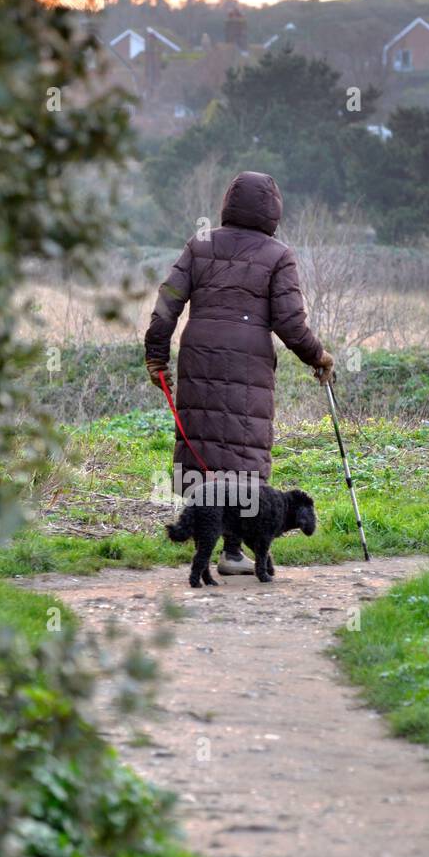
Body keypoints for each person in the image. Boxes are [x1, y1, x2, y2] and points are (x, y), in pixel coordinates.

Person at [144, 170, 334, 574]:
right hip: (249, 362)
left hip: (199, 356)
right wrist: (319, 358)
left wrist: (157, 356)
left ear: (228, 203)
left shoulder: (201, 244)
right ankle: (232, 553)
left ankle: (212, 544)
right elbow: (290, 324)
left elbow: (167, 303)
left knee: (204, 442)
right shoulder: (278, 255)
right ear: (273, 210)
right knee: (244, 449)